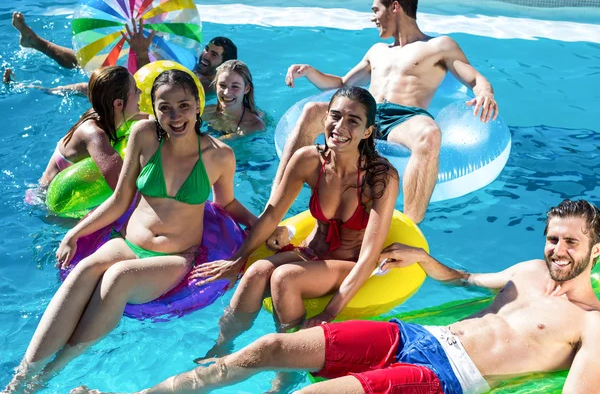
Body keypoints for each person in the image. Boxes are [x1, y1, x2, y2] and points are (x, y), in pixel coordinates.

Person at [74, 199, 600, 394]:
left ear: (594, 251)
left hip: (445, 378)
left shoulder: (592, 324)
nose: (556, 249)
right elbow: (464, 279)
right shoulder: (529, 270)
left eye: (569, 242)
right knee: (268, 350)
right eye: (552, 237)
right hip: (418, 336)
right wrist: (424, 262)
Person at [3, 69, 259, 394]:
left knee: (118, 278)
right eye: (164, 107)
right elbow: (120, 198)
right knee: (85, 269)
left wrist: (260, 224)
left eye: (183, 105)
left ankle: (45, 377)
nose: (175, 115)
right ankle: (20, 378)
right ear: (154, 109)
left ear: (197, 105)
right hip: (128, 243)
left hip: (174, 257)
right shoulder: (143, 134)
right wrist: (75, 233)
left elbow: (228, 204)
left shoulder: (219, 155)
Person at [194, 86, 399, 360]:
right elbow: (271, 215)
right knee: (255, 272)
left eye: (353, 121)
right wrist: (236, 260)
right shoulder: (309, 160)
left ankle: (286, 367)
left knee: (284, 277)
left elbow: (369, 255)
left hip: (348, 263)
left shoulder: (381, 177)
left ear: (367, 131)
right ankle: (221, 349)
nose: (339, 127)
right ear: (325, 118)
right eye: (335, 116)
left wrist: (329, 313)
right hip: (310, 252)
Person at [278, 0, 499, 224]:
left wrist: (485, 93)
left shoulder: (439, 46)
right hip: (366, 113)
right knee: (312, 110)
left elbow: (475, 79)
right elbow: (344, 84)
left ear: (395, 7)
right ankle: (276, 199)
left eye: (375, 10)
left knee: (430, 134)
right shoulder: (377, 51)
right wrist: (310, 72)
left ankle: (408, 228)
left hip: (405, 118)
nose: (373, 18)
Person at [11, 12, 237, 96]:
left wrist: (141, 53)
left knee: (91, 83)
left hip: (140, 95)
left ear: (223, 66)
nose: (206, 54)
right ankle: (36, 42)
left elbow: (144, 88)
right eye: (207, 48)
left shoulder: (208, 84)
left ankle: (31, 88)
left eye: (214, 55)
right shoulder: (191, 58)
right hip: (144, 74)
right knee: (90, 63)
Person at [34, 66, 142, 189]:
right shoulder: (94, 135)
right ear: (118, 103)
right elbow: (121, 186)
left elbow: (151, 118)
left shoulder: (108, 112)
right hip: (48, 200)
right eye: (135, 89)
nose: (141, 92)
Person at [202, 60, 265, 137]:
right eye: (222, 85)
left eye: (235, 86)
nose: (226, 93)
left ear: (246, 89)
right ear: (215, 86)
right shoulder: (206, 111)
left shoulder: (254, 125)